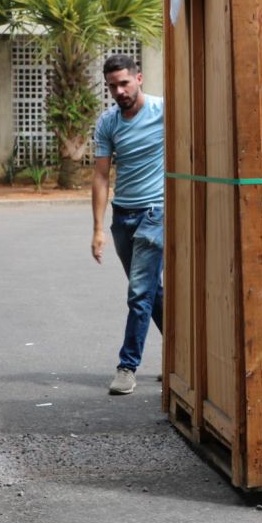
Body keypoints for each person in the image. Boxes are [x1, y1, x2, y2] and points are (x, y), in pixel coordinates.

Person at [90, 54, 165, 396]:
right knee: (152, 292)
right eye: (112, 86)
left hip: (155, 212)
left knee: (138, 293)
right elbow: (102, 175)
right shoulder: (108, 123)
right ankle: (182, 358)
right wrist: (98, 228)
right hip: (123, 216)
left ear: (140, 79)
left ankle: (127, 366)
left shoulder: (163, 111)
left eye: (124, 83)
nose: (119, 91)